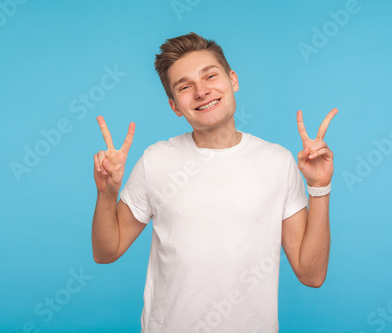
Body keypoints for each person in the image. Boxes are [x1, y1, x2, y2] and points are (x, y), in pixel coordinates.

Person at [91, 32, 337, 332]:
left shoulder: (278, 162)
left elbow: (311, 275)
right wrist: (106, 194)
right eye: (185, 86)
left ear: (232, 80)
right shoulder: (156, 161)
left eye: (210, 76)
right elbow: (106, 252)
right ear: (174, 106)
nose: (201, 91)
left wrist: (319, 188)